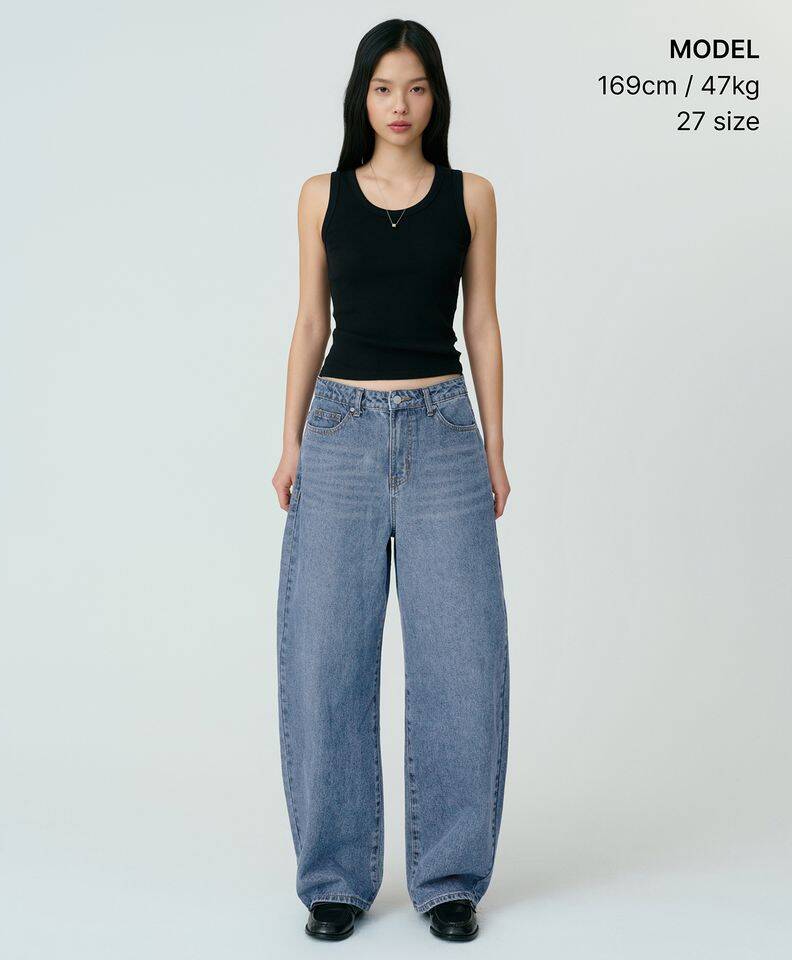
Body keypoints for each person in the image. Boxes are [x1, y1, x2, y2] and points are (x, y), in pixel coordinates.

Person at [273, 18, 511, 943]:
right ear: (361, 97)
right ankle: (335, 880)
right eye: (383, 88)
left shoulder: (472, 195)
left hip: (445, 433)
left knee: (463, 661)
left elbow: (482, 323)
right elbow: (309, 323)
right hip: (339, 434)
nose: (400, 105)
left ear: (435, 95)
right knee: (324, 657)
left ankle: (449, 879)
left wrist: (494, 448)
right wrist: (290, 443)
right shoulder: (320, 195)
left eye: (415, 87)